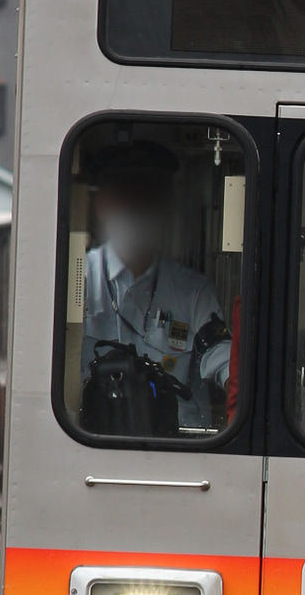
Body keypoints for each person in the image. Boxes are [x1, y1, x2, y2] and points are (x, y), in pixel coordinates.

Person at [81, 140, 231, 433]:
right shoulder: (80, 279)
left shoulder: (192, 292)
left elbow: (222, 357)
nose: (137, 206)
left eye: (148, 196)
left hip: (176, 446)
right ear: (102, 204)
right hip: (91, 441)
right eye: (126, 196)